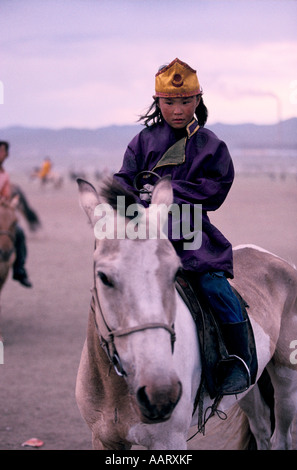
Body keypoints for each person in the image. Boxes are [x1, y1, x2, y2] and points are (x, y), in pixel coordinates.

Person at [113, 58, 251, 395]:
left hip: (191, 234)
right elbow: (123, 181)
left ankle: (239, 359)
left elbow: (216, 191)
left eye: (186, 101)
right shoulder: (141, 142)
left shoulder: (212, 146)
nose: (178, 109)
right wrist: (128, 202)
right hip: (148, 234)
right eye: (170, 102)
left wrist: (166, 193)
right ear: (158, 102)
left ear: (198, 100)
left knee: (214, 286)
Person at [0, 141, 32, 287]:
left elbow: (5, 196)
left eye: (3, 152)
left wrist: (11, 201)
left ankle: (19, 270)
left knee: (19, 233)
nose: (2, 154)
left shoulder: (4, 174)